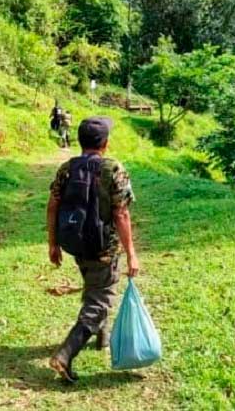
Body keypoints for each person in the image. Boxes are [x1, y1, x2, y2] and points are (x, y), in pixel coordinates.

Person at [46, 117, 140, 382]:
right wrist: (132, 252)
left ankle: (102, 335)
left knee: (94, 286)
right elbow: (121, 214)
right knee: (100, 299)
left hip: (77, 244)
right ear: (106, 144)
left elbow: (52, 205)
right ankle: (65, 354)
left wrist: (53, 243)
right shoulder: (114, 169)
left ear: (79, 141)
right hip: (104, 248)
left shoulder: (67, 168)